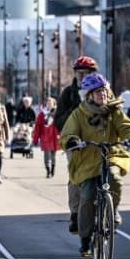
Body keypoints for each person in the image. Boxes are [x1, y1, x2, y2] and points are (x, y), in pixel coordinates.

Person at [59, 73, 130, 256]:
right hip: (87, 159)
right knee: (87, 195)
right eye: (97, 93)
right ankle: (86, 239)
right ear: (89, 95)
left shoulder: (115, 112)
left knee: (115, 179)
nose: (102, 95)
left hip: (111, 155)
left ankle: (114, 210)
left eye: (104, 91)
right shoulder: (79, 114)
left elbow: (127, 127)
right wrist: (72, 141)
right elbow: (68, 133)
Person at [54, 55, 99, 235]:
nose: (82, 77)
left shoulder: (102, 92)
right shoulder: (69, 93)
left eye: (86, 73)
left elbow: (116, 115)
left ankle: (112, 210)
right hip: (76, 142)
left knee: (112, 171)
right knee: (76, 177)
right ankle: (75, 213)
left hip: (98, 140)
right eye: (79, 73)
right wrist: (75, 114)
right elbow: (58, 121)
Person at [33, 97, 60, 178]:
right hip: (45, 137)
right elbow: (37, 127)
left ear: (53, 104)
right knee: (46, 156)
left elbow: (61, 124)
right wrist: (35, 139)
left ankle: (52, 169)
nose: (48, 104)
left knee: (53, 156)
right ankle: (48, 171)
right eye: (47, 103)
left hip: (55, 137)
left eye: (50, 103)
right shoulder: (42, 114)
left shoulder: (57, 113)